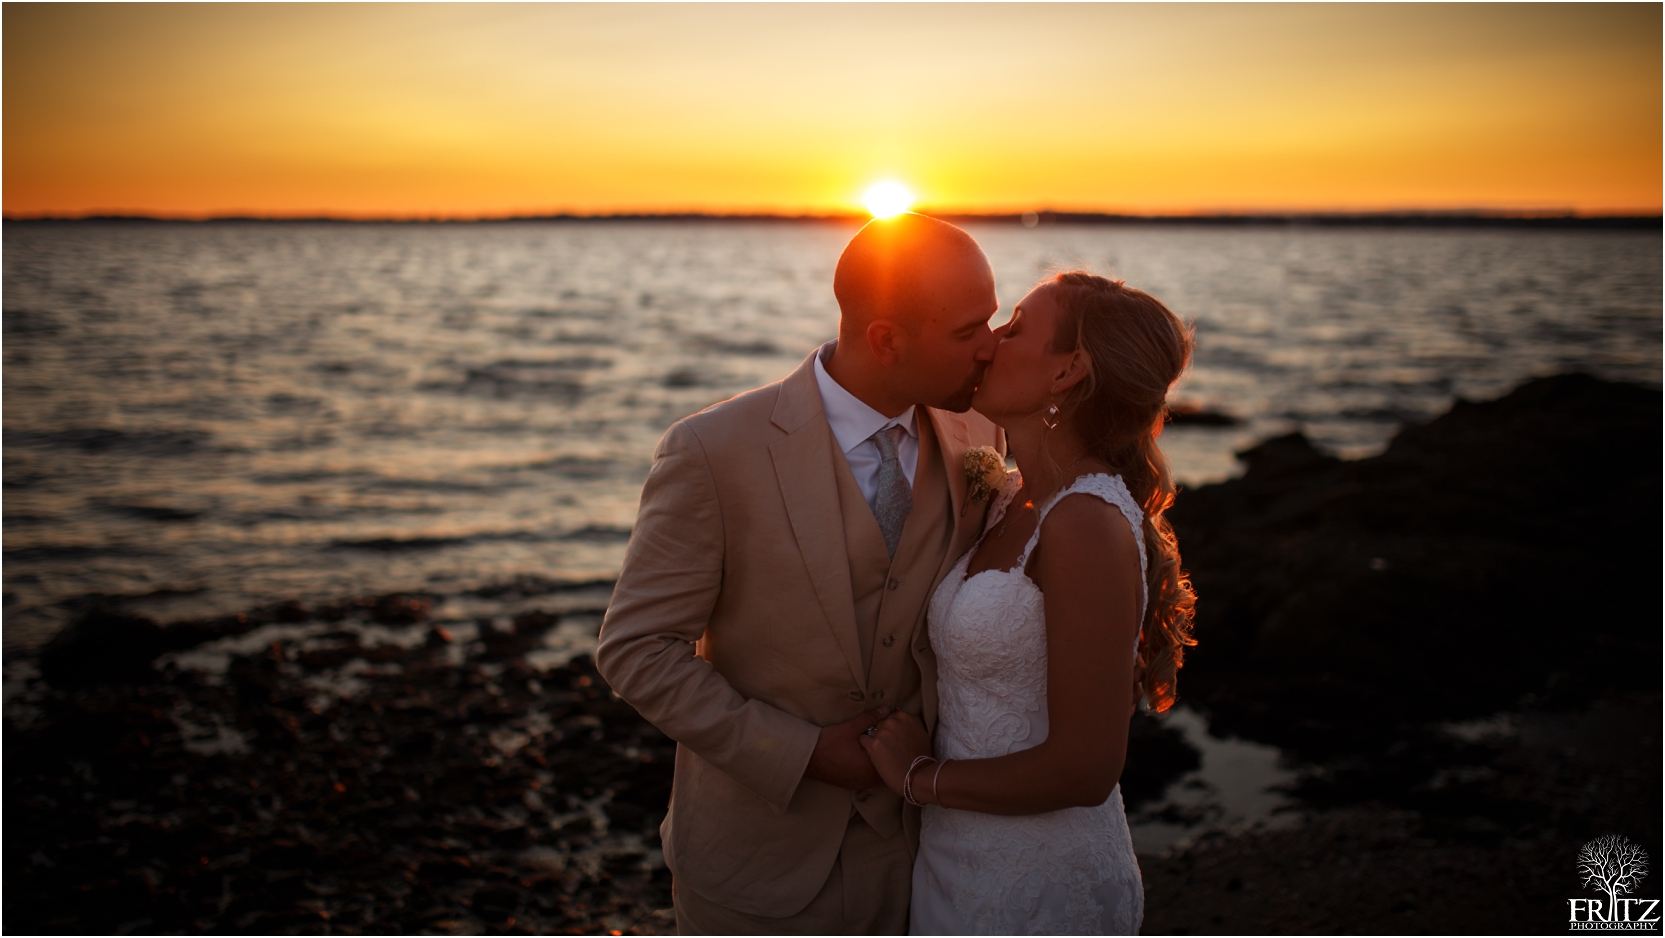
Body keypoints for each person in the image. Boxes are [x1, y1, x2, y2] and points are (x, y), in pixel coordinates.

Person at [595, 213, 1007, 933]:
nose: (991, 348)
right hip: (760, 869)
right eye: (967, 331)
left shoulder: (979, 434)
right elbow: (635, 651)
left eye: (994, 322)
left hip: (930, 858)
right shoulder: (712, 452)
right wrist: (805, 753)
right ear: (885, 339)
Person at [859, 271, 1199, 935]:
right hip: (956, 859)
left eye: (1014, 328)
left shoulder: (1084, 524)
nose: (988, 344)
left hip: (1038, 883)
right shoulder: (1012, 496)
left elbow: (1083, 770)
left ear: (1067, 371)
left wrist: (916, 777)